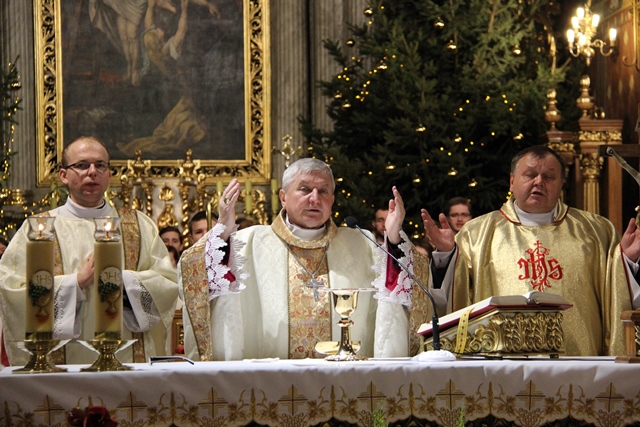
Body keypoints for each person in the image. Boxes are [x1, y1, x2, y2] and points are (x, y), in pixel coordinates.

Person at [179, 158, 432, 361]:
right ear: (283, 197)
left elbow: (406, 285)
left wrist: (394, 238)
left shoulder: (360, 243)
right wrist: (222, 232)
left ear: (332, 200)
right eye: (304, 189)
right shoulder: (249, 243)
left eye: (323, 191)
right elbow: (194, 271)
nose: (315, 199)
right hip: (270, 384)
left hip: (345, 383)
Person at [421, 145, 640, 356]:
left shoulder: (596, 231)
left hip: (579, 362)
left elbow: (616, 297)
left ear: (561, 184)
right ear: (512, 181)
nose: (539, 182)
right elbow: (455, 301)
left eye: (549, 177)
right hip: (501, 364)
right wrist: (447, 256)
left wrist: (626, 262)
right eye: (530, 175)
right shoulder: (476, 233)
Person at [0, 136, 179, 365]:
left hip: (128, 365)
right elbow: (10, 289)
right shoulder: (37, 229)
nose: (92, 172)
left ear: (109, 175)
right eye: (82, 165)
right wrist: (75, 283)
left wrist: (123, 281)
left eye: (100, 165)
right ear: (63, 175)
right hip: (60, 369)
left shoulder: (139, 226)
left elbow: (167, 282)